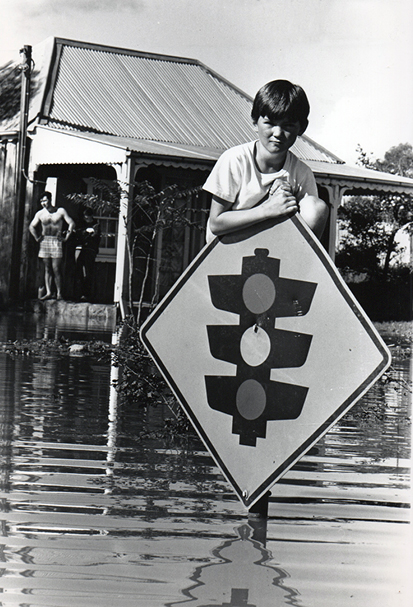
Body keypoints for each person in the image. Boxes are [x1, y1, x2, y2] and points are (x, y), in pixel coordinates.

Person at [204, 79, 328, 243]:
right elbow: (215, 224)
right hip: (229, 246)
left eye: (288, 125)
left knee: (316, 207)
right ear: (255, 122)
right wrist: (267, 209)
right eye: (269, 123)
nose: (277, 133)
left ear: (301, 128)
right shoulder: (235, 159)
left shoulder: (302, 172)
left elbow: (313, 216)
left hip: (273, 248)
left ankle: (295, 266)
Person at [29, 191, 75, 300]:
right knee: (47, 268)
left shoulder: (60, 211)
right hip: (45, 241)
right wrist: (37, 237)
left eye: (45, 200)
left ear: (50, 199)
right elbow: (31, 226)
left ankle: (59, 293)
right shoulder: (40, 213)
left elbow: (71, 223)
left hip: (56, 241)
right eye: (41, 201)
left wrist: (66, 237)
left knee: (56, 268)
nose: (43, 203)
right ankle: (49, 292)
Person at [75, 207, 101, 302]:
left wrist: (89, 233)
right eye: (85, 217)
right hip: (84, 248)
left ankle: (87, 294)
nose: (86, 219)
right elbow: (79, 234)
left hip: (91, 249)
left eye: (87, 217)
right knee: (79, 268)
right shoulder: (83, 224)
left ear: (91, 216)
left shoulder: (96, 225)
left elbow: (95, 237)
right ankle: (79, 293)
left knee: (88, 271)